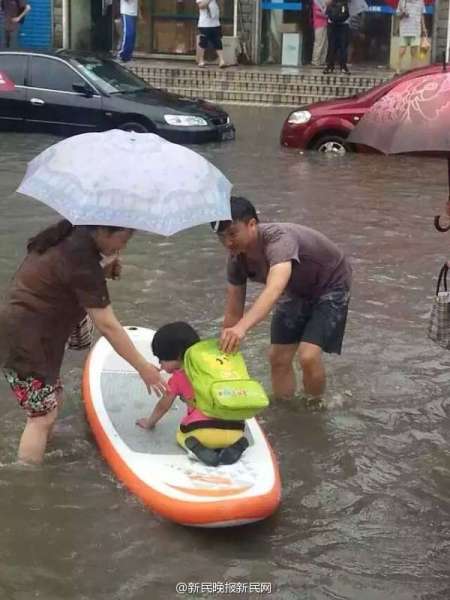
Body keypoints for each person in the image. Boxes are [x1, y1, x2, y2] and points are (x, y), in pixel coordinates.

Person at [0, 220, 167, 465]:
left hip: (30, 330)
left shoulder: (69, 236)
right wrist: (143, 367)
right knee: (41, 418)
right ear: (103, 231)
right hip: (26, 338)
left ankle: (45, 448)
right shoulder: (81, 260)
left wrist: (102, 269)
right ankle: (29, 482)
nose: (124, 246)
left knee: (50, 402)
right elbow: (108, 325)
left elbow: (62, 278)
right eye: (124, 239)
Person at [212, 197, 352, 402]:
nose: (228, 243)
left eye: (233, 234)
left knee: (308, 356)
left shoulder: (279, 240)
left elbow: (274, 289)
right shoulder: (236, 259)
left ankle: (314, 407)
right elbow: (233, 311)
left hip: (330, 285)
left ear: (252, 224)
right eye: (221, 237)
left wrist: (242, 328)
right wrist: (225, 348)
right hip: (295, 289)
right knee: (277, 358)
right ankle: (285, 409)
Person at [136, 322, 250, 467]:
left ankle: (196, 449)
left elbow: (163, 406)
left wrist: (149, 423)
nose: (160, 365)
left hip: (203, 433)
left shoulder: (178, 377)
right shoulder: (217, 367)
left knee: (181, 433)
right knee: (226, 426)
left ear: (177, 355)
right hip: (236, 428)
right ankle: (237, 445)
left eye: (161, 359)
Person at [397, 0, 427, 74]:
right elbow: (398, 15)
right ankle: (397, 71)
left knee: (413, 53)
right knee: (401, 52)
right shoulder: (402, 1)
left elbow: (422, 16)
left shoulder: (421, 1)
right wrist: (403, 14)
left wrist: (424, 28)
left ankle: (412, 72)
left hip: (416, 30)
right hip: (404, 30)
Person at [196, 0, 226, 69]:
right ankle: (201, 60)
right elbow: (201, 6)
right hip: (205, 24)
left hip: (215, 23)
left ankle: (221, 60)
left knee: (217, 41)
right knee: (203, 42)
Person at [323, 0, 351, 75]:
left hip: (342, 24)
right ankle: (330, 65)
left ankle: (342, 66)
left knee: (343, 46)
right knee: (332, 46)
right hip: (334, 24)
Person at [311, 0, 329, 68]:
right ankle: (315, 61)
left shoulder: (324, 2)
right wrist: (326, 15)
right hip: (319, 24)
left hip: (325, 24)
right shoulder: (316, 2)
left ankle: (322, 61)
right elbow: (316, 12)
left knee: (325, 43)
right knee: (319, 43)